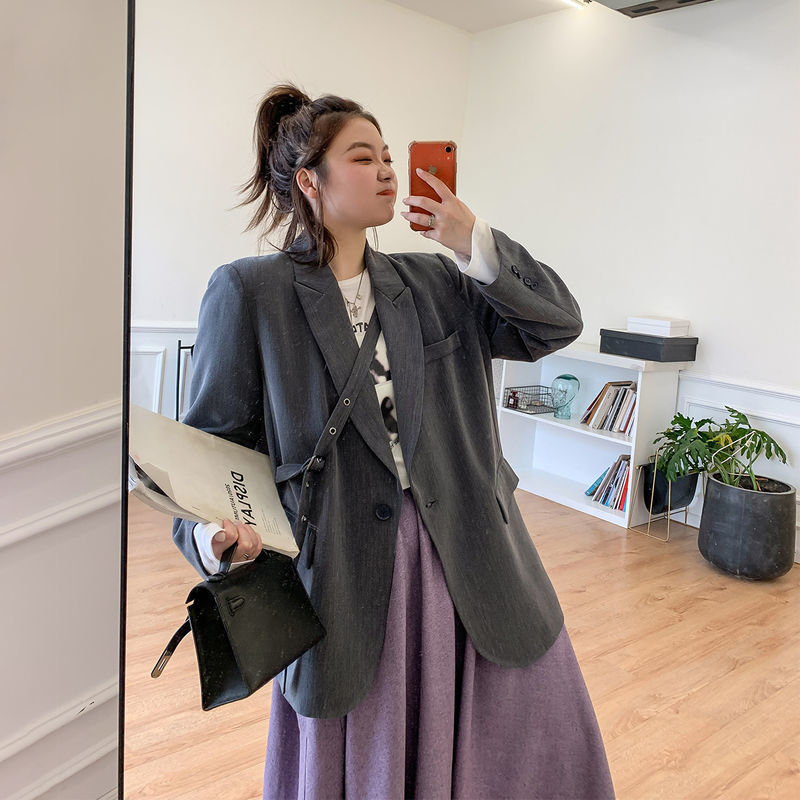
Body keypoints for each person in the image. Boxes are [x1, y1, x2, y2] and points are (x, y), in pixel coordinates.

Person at [172, 83, 616, 800]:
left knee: (524, 741)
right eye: (363, 157)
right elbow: (208, 451)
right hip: (341, 574)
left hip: (473, 551)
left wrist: (472, 240)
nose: (386, 170)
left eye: (387, 155)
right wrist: (210, 537)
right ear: (310, 182)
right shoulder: (250, 292)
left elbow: (554, 325)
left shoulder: (438, 278)